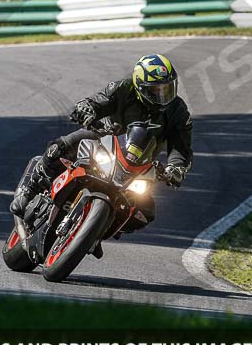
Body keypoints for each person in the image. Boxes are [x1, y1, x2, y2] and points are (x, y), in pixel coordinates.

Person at [10, 54, 193, 235]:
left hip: (138, 164)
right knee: (61, 146)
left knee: (144, 213)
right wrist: (86, 110)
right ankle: (29, 189)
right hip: (104, 137)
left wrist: (176, 168)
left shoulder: (178, 111)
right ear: (139, 85)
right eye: (156, 91)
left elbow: (181, 147)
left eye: (167, 90)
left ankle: (97, 231)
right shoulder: (123, 87)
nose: (163, 97)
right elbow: (98, 101)